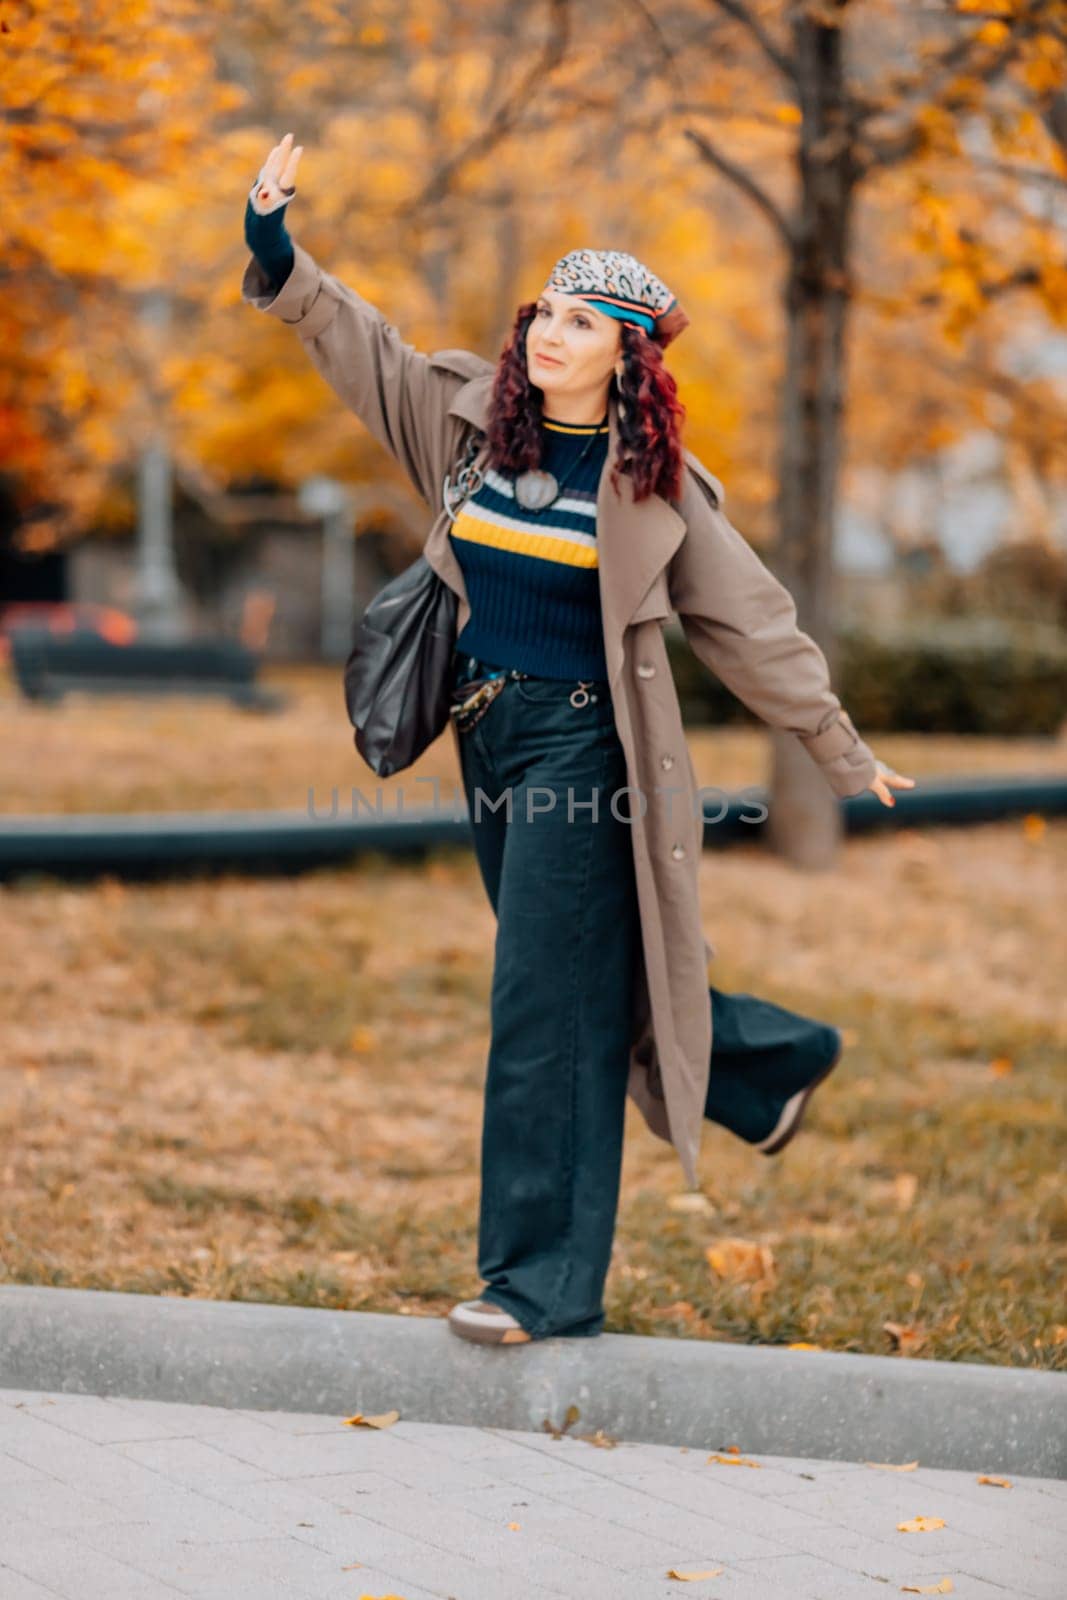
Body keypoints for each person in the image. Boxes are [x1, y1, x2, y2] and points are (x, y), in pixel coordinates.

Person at [243, 133, 916, 1349]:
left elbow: (754, 625)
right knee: (580, 979)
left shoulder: (655, 491)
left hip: (583, 757)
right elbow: (357, 345)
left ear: (628, 356)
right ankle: (768, 1061)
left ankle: (537, 1285)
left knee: (541, 1007)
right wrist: (275, 242)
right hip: (485, 737)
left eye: (580, 324)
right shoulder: (463, 425)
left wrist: (838, 747)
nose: (547, 335)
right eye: (542, 313)